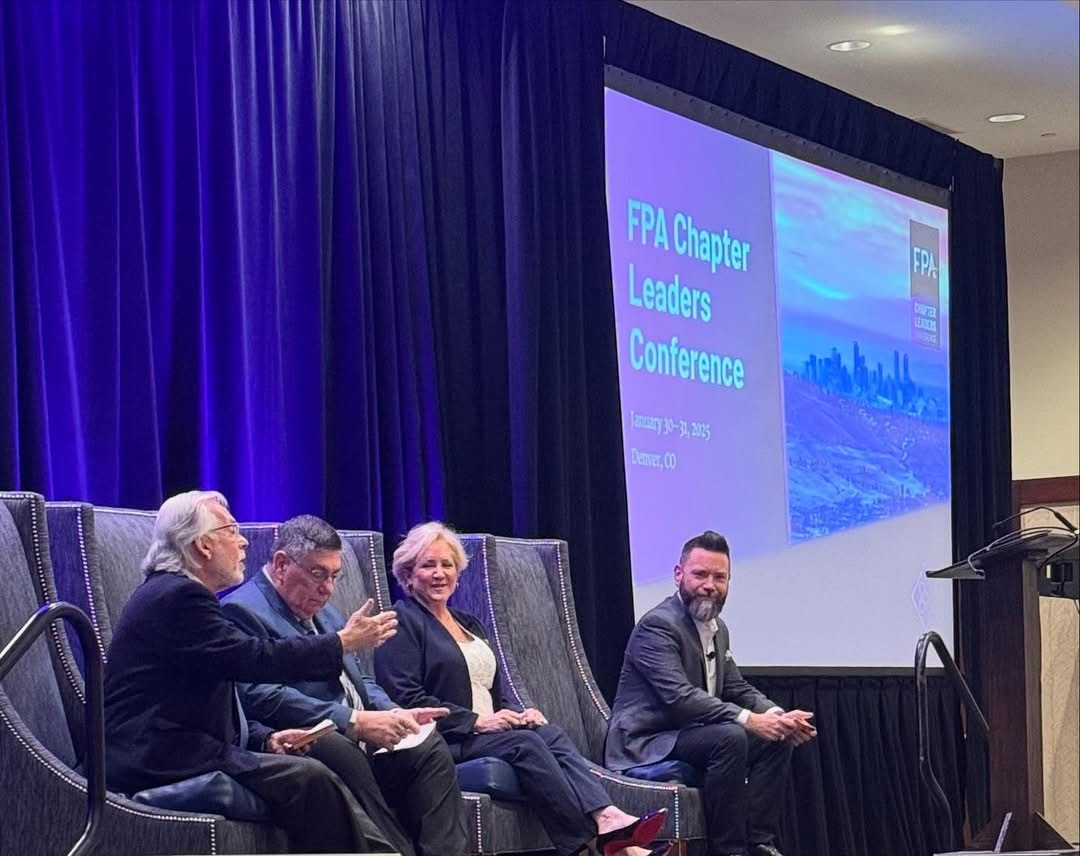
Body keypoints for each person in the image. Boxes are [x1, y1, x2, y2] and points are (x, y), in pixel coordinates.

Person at [103, 490, 401, 853]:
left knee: (311, 772)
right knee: (311, 779)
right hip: (156, 756)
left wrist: (266, 739)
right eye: (231, 530)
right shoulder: (178, 598)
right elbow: (254, 659)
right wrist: (341, 643)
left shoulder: (175, 593)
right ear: (202, 546)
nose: (243, 540)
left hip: (183, 746)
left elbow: (215, 691)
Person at [374, 521, 670, 856]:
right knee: (524, 744)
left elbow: (492, 691)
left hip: (485, 734)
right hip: (443, 741)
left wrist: (517, 713)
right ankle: (598, 845)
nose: (440, 573)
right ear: (408, 574)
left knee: (549, 733)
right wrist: (475, 722)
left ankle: (607, 816)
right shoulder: (401, 621)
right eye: (429, 565)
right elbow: (406, 698)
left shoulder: (469, 624)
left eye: (447, 564)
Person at [220, 514, 469, 856]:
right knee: (339, 750)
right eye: (317, 574)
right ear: (281, 564)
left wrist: (393, 712)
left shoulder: (326, 612)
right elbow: (257, 695)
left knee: (428, 748)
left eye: (334, 576)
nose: (327, 588)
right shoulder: (240, 611)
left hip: (362, 734)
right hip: (311, 737)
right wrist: (354, 721)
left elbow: (359, 679)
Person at [605, 531, 817, 856]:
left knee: (776, 738)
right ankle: (729, 850)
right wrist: (750, 720)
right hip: (647, 742)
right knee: (730, 737)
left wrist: (777, 717)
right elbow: (680, 697)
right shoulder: (658, 626)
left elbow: (735, 687)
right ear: (679, 574)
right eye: (700, 574)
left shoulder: (718, 629)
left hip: (688, 735)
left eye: (719, 577)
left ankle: (758, 841)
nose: (709, 585)